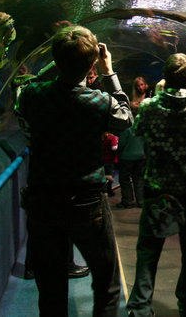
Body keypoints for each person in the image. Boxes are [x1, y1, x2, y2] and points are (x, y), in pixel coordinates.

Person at [15, 25, 133, 316]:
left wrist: (63, 59)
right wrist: (109, 73)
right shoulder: (99, 102)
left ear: (56, 59)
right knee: (106, 283)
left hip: (44, 200)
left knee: (51, 288)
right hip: (87, 201)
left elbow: (24, 93)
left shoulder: (33, 95)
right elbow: (126, 118)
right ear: (92, 64)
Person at [126, 53, 186, 317]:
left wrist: (157, 96)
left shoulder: (150, 106)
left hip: (157, 186)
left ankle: (140, 307)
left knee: (149, 248)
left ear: (166, 77)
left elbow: (137, 131)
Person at [115, 126, 146, 208]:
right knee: (138, 179)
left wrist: (119, 153)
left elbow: (121, 144)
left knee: (124, 179)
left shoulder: (128, 131)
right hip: (141, 158)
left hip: (127, 158)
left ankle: (128, 201)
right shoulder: (143, 131)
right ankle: (141, 201)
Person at [102, 132, 119, 197]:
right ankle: (109, 192)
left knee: (105, 175)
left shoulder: (103, 137)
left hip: (104, 159)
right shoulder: (112, 137)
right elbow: (114, 148)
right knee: (110, 176)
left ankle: (104, 191)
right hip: (110, 160)